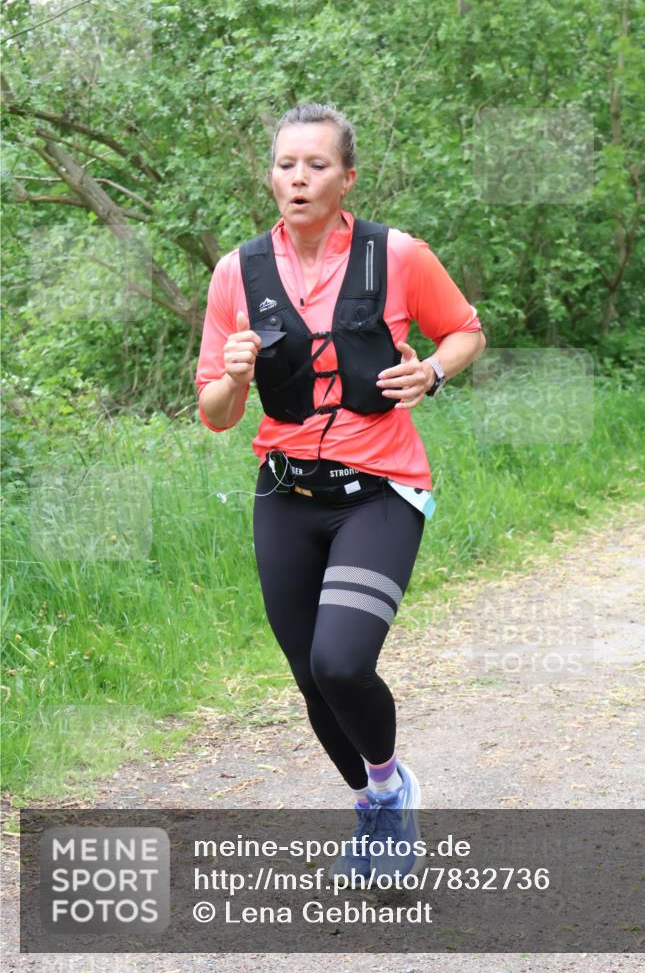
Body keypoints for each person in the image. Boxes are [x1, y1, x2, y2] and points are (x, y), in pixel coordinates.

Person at [196, 103, 486, 881]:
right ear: (270, 176)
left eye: (316, 164)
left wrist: (431, 370)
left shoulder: (396, 255)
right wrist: (231, 378)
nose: (298, 177)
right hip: (285, 493)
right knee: (307, 676)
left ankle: (392, 789)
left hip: (379, 488)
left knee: (340, 661)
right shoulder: (238, 272)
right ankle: (376, 809)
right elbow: (215, 417)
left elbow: (465, 329)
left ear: (346, 177)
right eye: (286, 164)